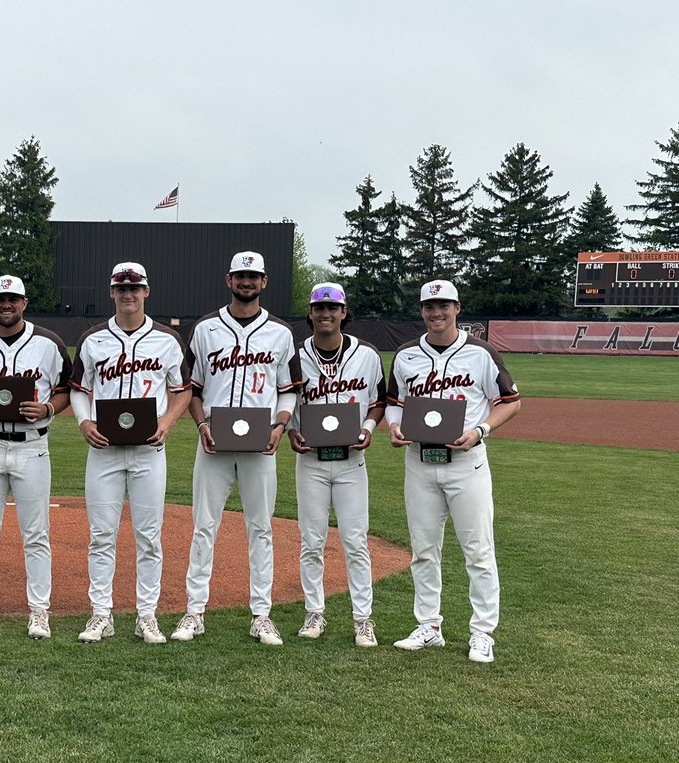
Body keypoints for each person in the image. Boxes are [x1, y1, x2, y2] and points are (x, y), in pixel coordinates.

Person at [386, 279, 521, 663]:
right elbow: (395, 403)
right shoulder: (407, 354)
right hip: (419, 462)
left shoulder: (480, 353)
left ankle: (483, 632)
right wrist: (394, 426)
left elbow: (511, 402)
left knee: (478, 550)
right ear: (422, 311)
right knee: (424, 550)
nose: (436, 312)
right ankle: (429, 627)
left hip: (467, 463)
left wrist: (481, 430)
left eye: (444, 305)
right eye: (430, 306)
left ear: (457, 308)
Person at [172, 251, 302, 646]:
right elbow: (191, 388)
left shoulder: (280, 333)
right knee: (203, 527)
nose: (247, 282)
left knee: (261, 529)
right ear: (228, 280)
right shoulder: (205, 328)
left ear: (264, 282)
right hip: (214, 444)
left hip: (260, 445)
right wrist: (202, 424)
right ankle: (194, 612)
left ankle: (261, 614)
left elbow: (288, 391)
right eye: (240, 276)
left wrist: (280, 426)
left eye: (254, 276)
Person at [69, 262, 191, 645]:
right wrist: (84, 422)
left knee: (149, 536)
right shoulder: (93, 339)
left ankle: (146, 615)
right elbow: (77, 387)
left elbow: (183, 389)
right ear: (111, 292)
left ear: (146, 292)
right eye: (121, 288)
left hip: (148, 450)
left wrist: (168, 422)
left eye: (134, 288)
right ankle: (101, 615)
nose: (128, 294)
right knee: (101, 535)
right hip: (104, 450)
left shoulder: (166, 339)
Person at [0, 275, 72, 639]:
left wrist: (48, 409)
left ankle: (39, 612)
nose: (7, 305)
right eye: (0, 299)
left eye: (13, 299)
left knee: (36, 534)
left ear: (24, 302)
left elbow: (68, 389)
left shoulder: (49, 343)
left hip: (32, 445)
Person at [286, 283, 386, 647]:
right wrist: (291, 432)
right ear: (310, 314)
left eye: (333, 308)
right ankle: (315, 612)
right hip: (311, 461)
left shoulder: (367, 355)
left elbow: (378, 401)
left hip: (351, 462)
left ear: (344, 313)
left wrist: (368, 427)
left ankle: (363, 619)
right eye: (319, 308)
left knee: (355, 542)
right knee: (311, 542)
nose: (326, 314)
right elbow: (285, 398)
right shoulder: (295, 355)